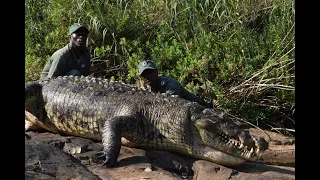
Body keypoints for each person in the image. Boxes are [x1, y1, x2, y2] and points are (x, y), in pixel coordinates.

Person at [138, 60, 213, 108]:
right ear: (141, 78)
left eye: (150, 72)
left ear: (157, 72)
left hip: (202, 110)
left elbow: (170, 108)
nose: (148, 76)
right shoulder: (145, 89)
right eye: (144, 74)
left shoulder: (170, 85)